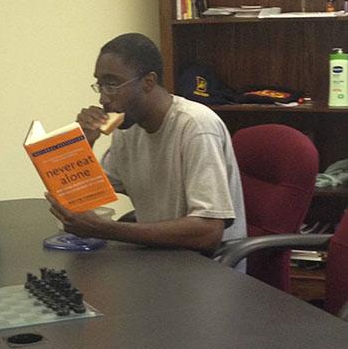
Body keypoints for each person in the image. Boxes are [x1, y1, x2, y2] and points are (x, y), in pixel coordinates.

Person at [48, 33, 246, 254]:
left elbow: (208, 232)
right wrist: (82, 145)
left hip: (206, 267)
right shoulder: (128, 129)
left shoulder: (196, 127)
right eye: (100, 85)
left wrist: (105, 229)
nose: (103, 98)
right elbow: (83, 196)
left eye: (112, 84)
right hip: (158, 257)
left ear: (148, 82)